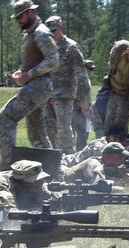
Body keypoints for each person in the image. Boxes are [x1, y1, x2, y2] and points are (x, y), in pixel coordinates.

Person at [0, 0, 58, 171]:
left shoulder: (41, 33)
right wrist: (21, 72)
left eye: (20, 17)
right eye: (16, 18)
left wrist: (29, 75)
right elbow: (35, 61)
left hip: (39, 86)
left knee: (6, 117)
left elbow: (53, 59)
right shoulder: (30, 33)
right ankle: (53, 167)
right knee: (37, 132)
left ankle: (6, 164)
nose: (18, 21)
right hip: (37, 85)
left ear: (31, 12)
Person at [43, 16, 86, 154]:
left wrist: (83, 98)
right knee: (49, 128)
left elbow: (82, 74)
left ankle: (68, 160)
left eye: (53, 31)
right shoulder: (48, 49)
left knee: (63, 130)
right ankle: (53, 159)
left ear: (60, 28)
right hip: (48, 95)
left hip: (64, 94)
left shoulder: (71, 47)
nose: (51, 34)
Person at [62, 124, 129, 168]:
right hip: (66, 164)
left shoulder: (111, 145)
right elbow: (107, 159)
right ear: (111, 137)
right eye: (121, 139)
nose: (123, 143)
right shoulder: (99, 145)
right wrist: (128, 148)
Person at [62, 141, 129, 184]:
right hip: (60, 175)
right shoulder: (94, 164)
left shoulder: (104, 164)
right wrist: (122, 183)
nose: (122, 161)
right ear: (109, 157)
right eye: (120, 158)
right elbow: (98, 187)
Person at [72, 60, 95, 151]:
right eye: (88, 68)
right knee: (82, 136)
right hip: (79, 112)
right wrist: (86, 113)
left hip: (83, 110)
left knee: (81, 136)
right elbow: (82, 99)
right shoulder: (81, 79)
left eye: (91, 69)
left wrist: (91, 111)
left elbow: (88, 98)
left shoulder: (86, 79)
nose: (90, 71)